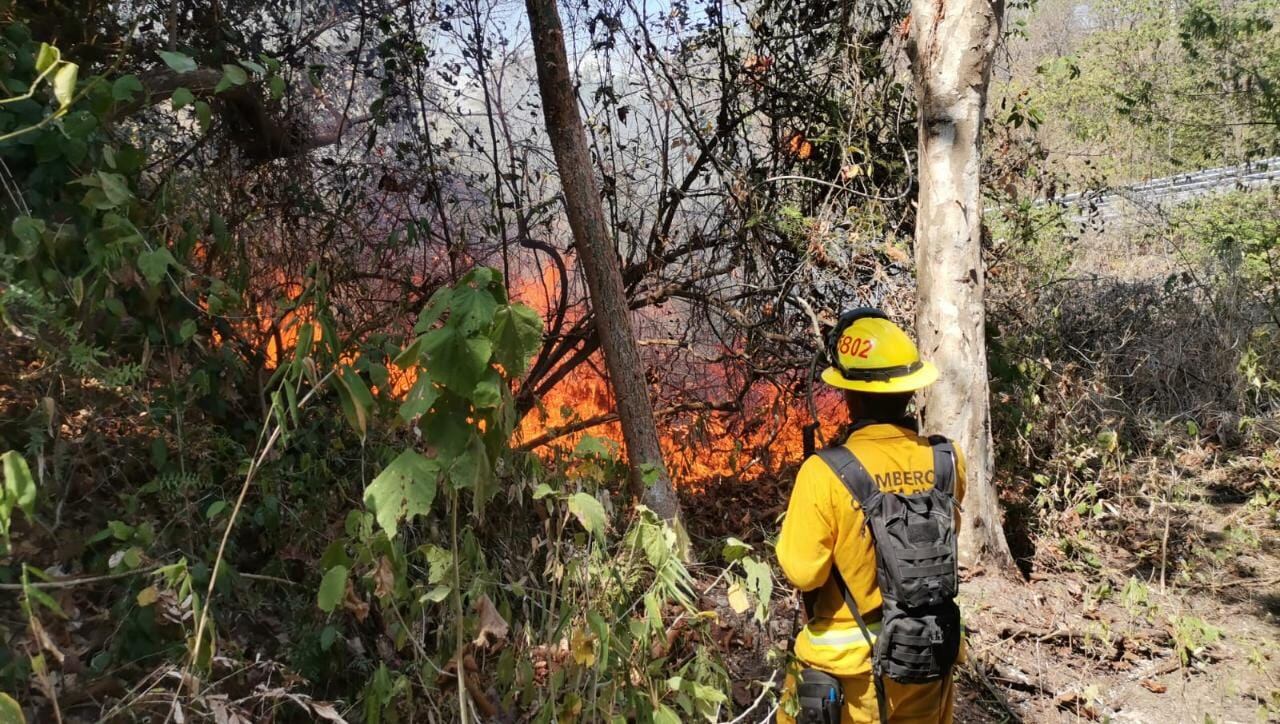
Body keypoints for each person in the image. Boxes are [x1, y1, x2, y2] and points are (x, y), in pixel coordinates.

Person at [776, 308, 966, 724]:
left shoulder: (825, 472)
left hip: (851, 675)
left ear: (851, 396)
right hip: (928, 657)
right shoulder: (948, 459)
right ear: (910, 390)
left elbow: (803, 572)